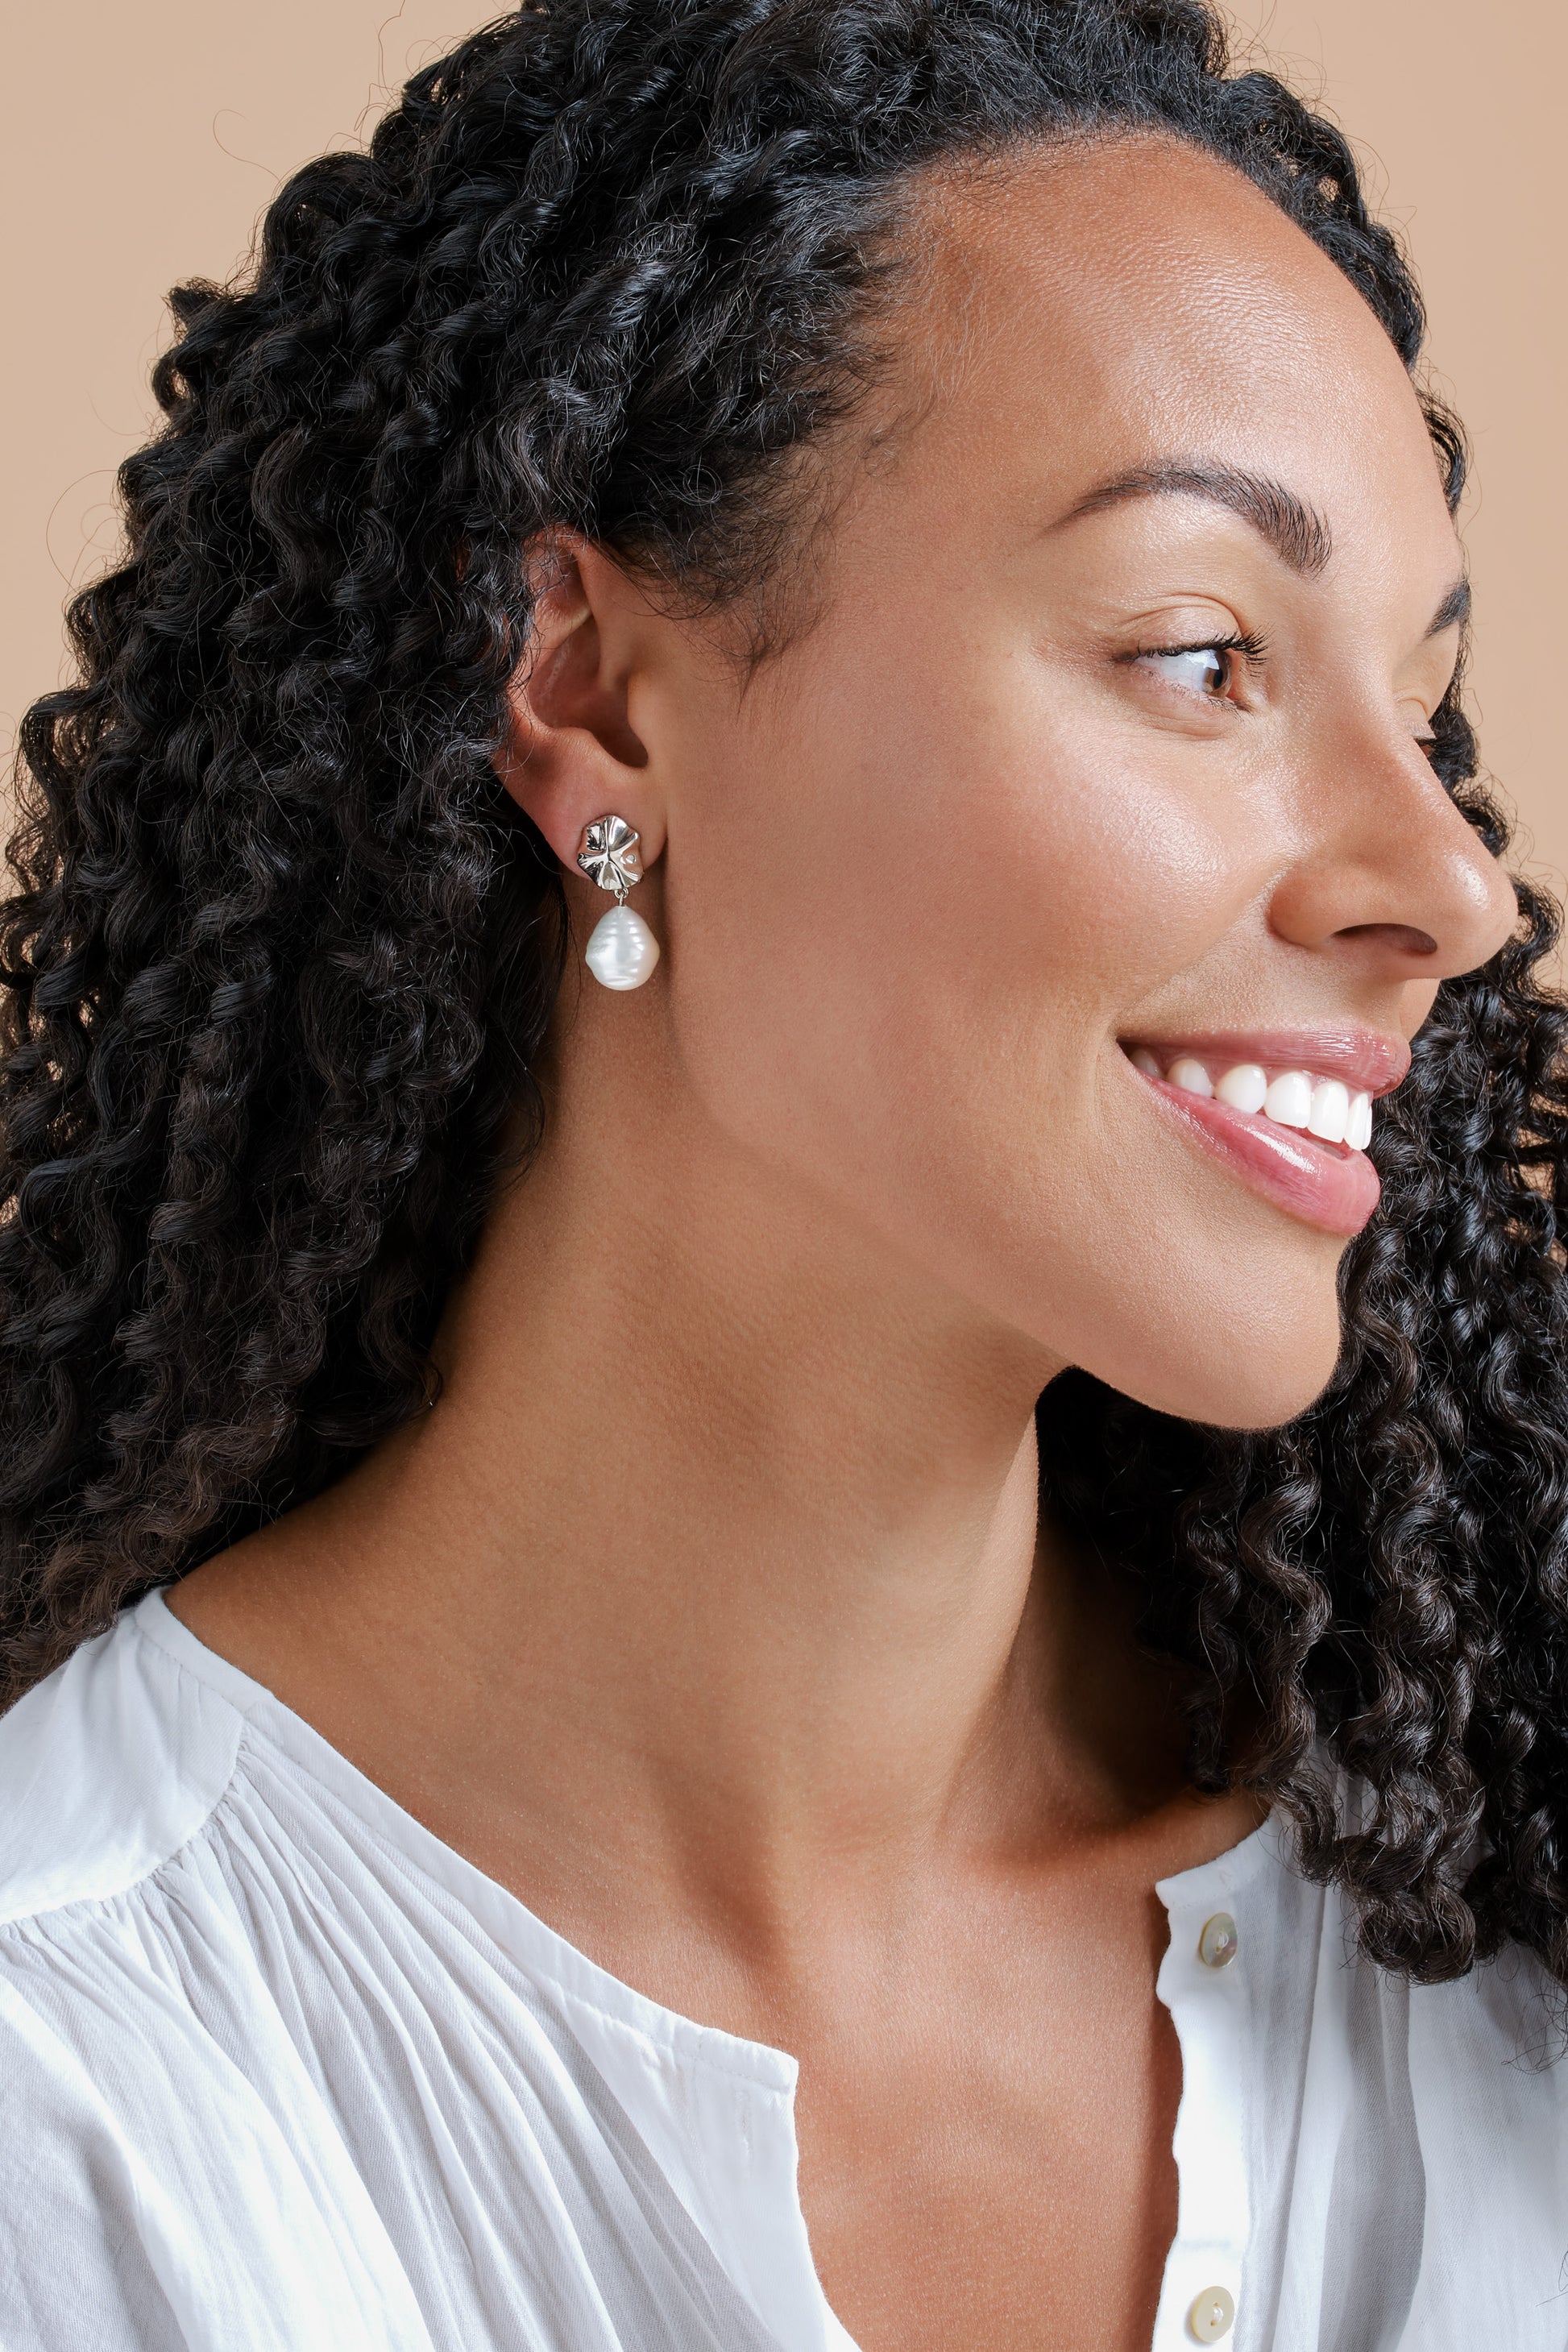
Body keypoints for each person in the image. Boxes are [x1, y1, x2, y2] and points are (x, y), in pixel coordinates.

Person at [2, 2, 1565, 2346]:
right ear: (601, 701)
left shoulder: (1499, 1923)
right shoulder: (78, 2097)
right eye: (1196, 654)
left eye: (1419, 708)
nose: (1441, 890)